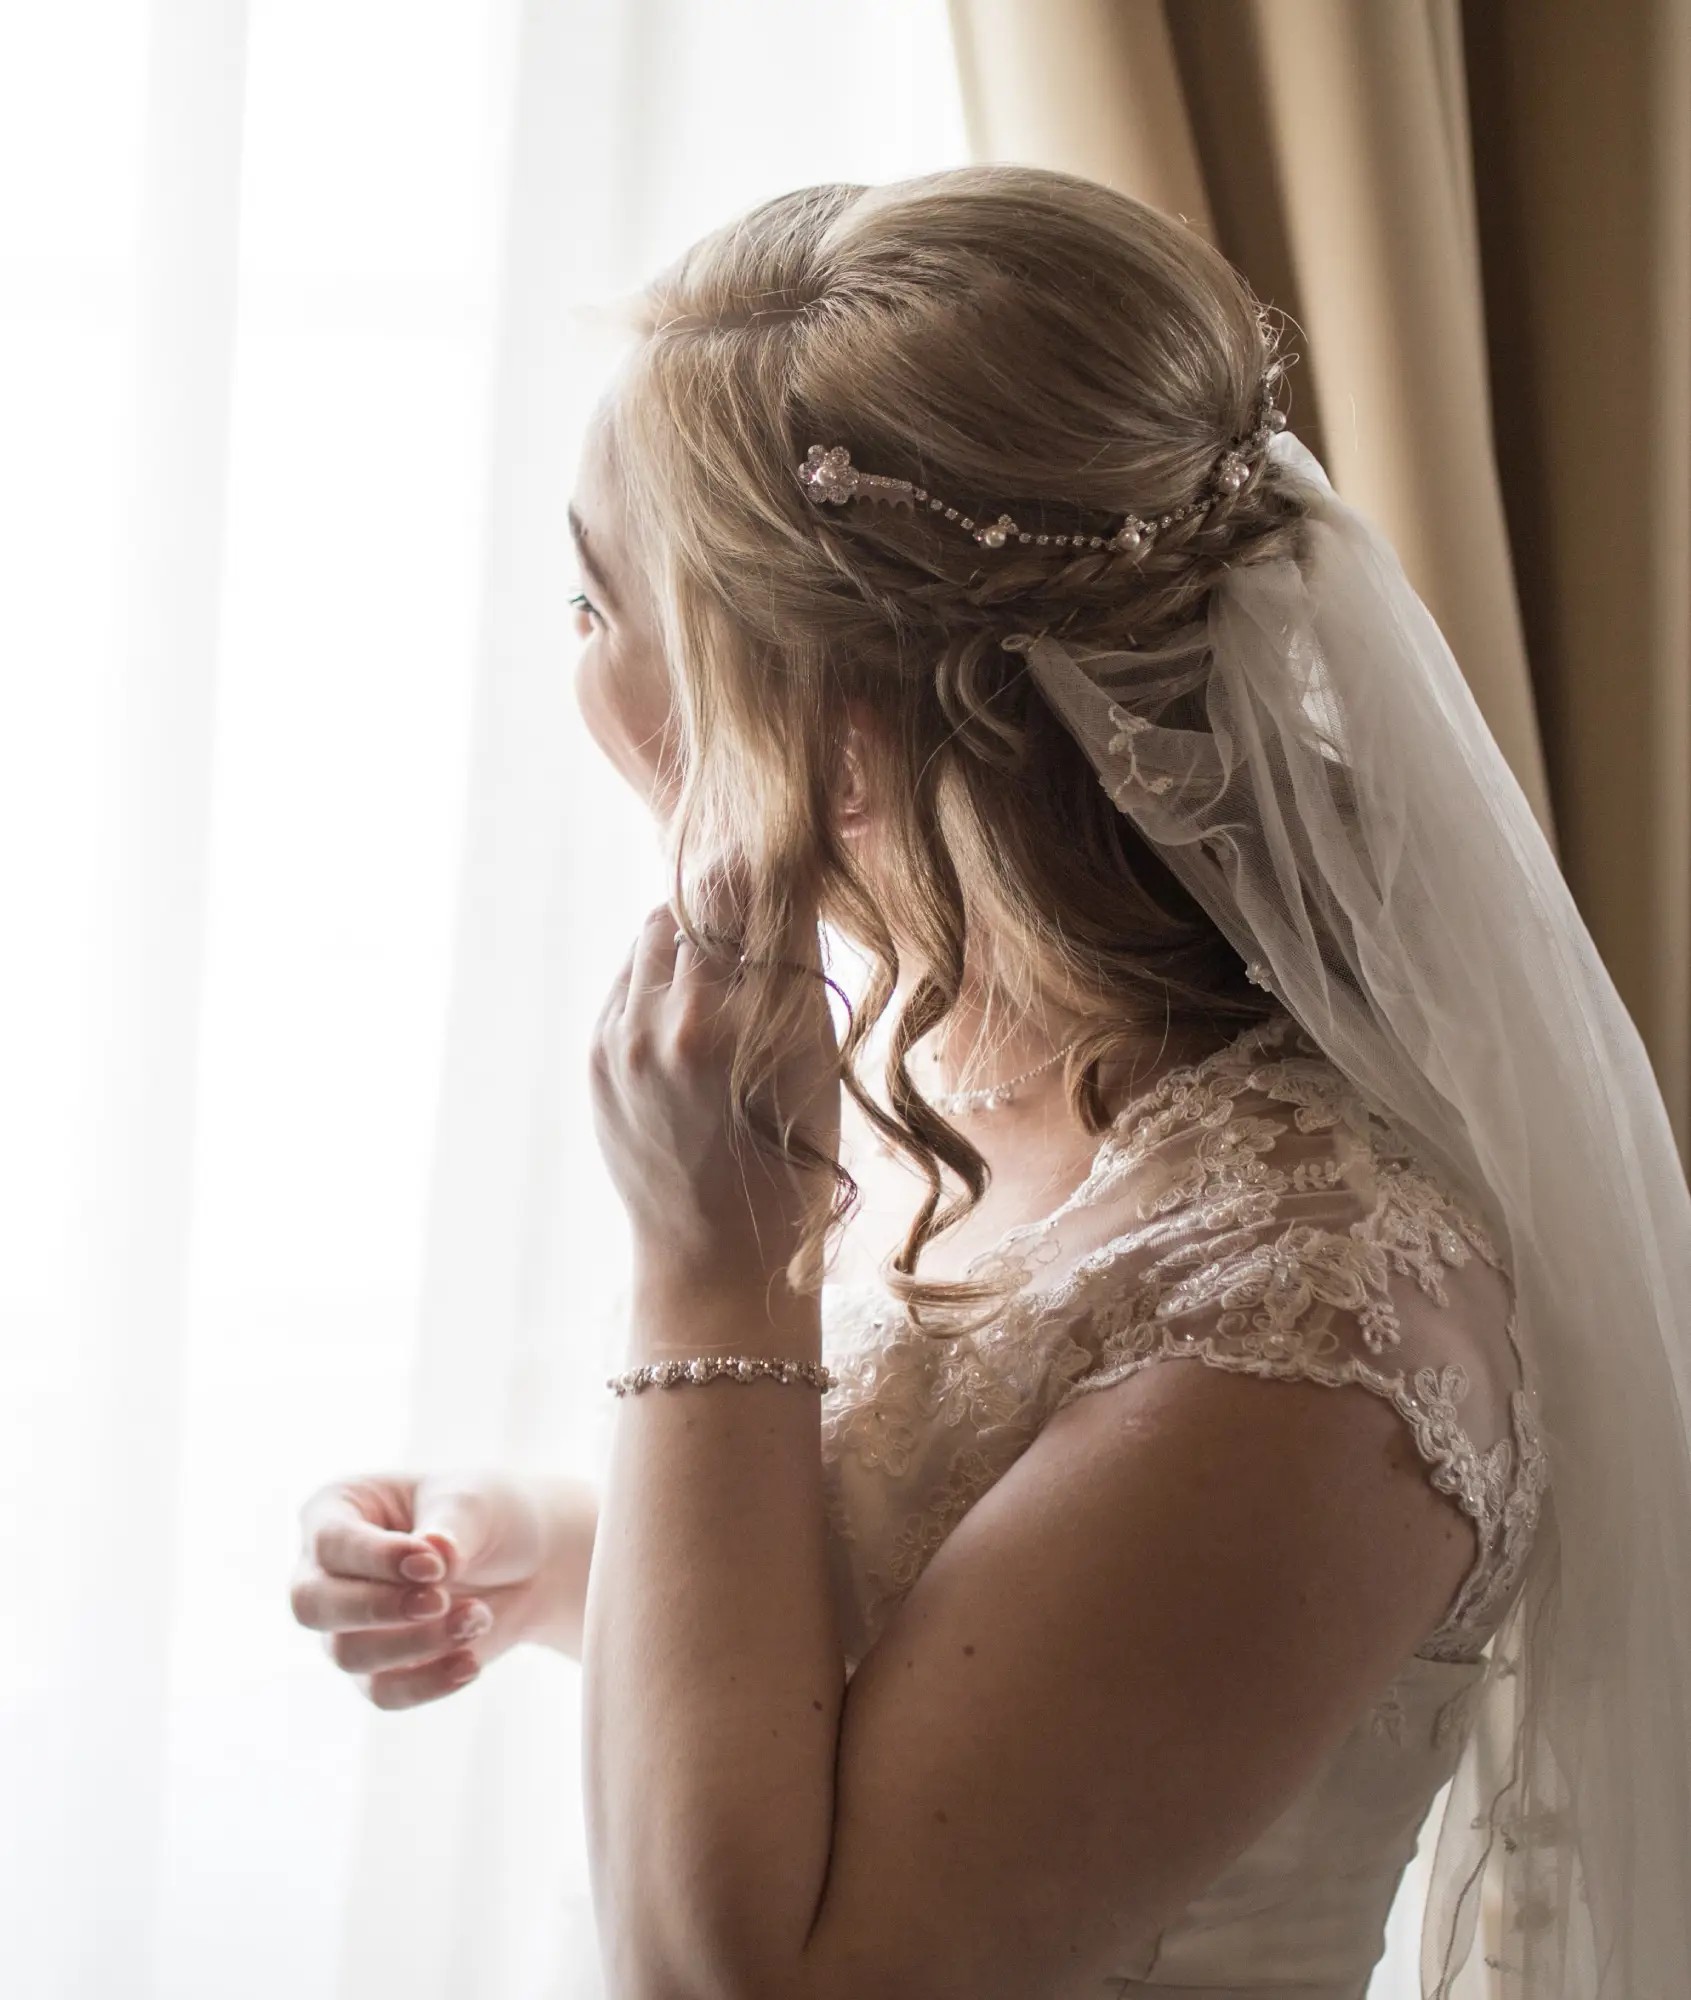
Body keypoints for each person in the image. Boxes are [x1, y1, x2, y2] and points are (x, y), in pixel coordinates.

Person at [290, 164, 1691, 1998]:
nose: (574, 663)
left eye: (591, 603)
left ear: (832, 740)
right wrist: (540, 1549)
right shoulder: (949, 1067)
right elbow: (921, 1633)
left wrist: (705, 1272)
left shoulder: (1309, 1331)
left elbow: (756, 1982)